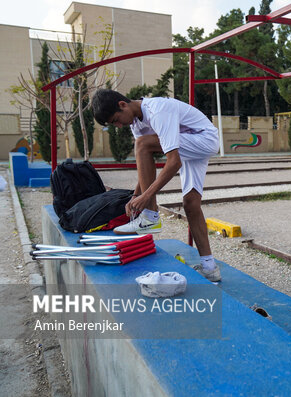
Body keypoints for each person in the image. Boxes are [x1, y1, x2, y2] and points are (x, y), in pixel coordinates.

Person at [92, 89, 222, 282]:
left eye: (116, 120)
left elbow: (174, 162)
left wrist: (146, 199)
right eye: (114, 124)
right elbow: (146, 170)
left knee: (142, 144)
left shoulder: (158, 110)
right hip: (190, 141)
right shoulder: (137, 123)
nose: (119, 126)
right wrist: (136, 196)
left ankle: (151, 216)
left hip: (204, 138)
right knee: (191, 204)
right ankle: (209, 267)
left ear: (122, 104)